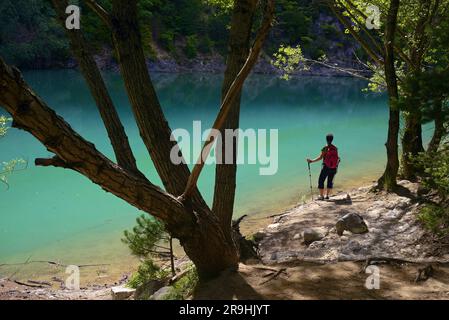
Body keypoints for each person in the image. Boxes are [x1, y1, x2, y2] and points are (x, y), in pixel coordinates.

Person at [307, 133, 340, 200]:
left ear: (326, 139)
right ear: (332, 139)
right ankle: (327, 195)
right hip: (334, 168)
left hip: (326, 167)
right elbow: (337, 158)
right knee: (330, 181)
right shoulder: (335, 148)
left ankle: (321, 196)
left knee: (321, 181)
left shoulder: (325, 148)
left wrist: (311, 161)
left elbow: (320, 157)